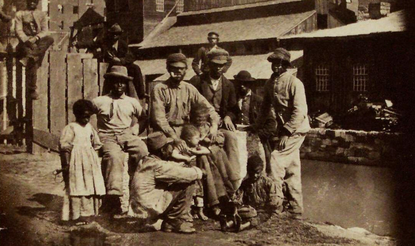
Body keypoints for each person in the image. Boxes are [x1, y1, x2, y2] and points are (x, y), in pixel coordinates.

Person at [255, 48, 310, 220]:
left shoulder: (294, 83)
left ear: (285, 65)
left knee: (276, 161)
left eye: (280, 64)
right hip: (287, 129)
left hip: (296, 128)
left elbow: (300, 110)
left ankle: (275, 206)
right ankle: (296, 209)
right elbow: (265, 107)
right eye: (274, 64)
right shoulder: (270, 83)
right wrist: (255, 125)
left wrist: (286, 132)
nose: (276, 67)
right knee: (293, 168)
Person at [92, 65, 148, 217]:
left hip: (126, 135)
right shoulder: (99, 101)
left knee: (143, 151)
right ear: (110, 83)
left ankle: (139, 190)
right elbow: (83, 114)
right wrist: (91, 134)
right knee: (114, 157)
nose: (119, 85)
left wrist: (136, 128)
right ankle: (113, 199)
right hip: (107, 136)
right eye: (116, 82)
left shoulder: (132, 102)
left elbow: (144, 118)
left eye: (122, 82)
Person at [129, 131, 204, 234]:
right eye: (170, 147)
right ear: (163, 150)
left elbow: (169, 167)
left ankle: (168, 221)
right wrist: (200, 172)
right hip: (149, 210)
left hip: (141, 210)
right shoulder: (157, 165)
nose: (172, 149)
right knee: (188, 182)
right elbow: (185, 174)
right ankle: (173, 220)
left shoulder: (146, 160)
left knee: (178, 179)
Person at [189, 48, 242, 190]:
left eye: (221, 65)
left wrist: (228, 117)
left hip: (220, 123)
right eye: (215, 64)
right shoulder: (197, 81)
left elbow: (233, 108)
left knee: (231, 138)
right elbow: (190, 105)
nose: (218, 68)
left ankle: (234, 180)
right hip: (201, 122)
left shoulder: (228, 84)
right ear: (209, 64)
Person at [150, 52, 221, 151]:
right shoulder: (159, 89)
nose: (178, 71)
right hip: (166, 133)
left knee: (214, 146)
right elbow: (160, 120)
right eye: (174, 68)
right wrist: (175, 138)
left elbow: (209, 109)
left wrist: (214, 126)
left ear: (185, 70)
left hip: (186, 130)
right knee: (172, 151)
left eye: (181, 68)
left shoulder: (189, 88)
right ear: (168, 69)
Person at [59, 99, 106, 225]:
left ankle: (89, 214)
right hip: (76, 161)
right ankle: (76, 215)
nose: (86, 120)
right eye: (83, 117)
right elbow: (65, 146)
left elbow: (96, 143)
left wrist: (95, 158)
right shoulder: (71, 128)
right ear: (76, 115)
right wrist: (66, 164)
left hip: (90, 161)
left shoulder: (90, 128)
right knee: (78, 185)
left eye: (88, 117)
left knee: (90, 185)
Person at [15, 0, 54, 99]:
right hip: (25, 42)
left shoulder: (42, 14)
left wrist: (36, 38)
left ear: (37, 3)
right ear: (27, 2)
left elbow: (45, 30)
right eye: (30, 1)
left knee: (49, 39)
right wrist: (27, 40)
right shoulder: (20, 14)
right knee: (33, 63)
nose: (32, 3)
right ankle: (32, 89)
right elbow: (18, 30)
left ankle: (30, 57)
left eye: (35, 2)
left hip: (37, 40)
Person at [171, 124, 210, 221]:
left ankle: (200, 211)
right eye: (196, 138)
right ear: (188, 139)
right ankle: (189, 212)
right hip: (186, 172)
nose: (199, 140)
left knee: (199, 192)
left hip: (196, 173)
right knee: (190, 194)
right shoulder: (183, 145)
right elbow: (174, 154)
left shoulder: (196, 147)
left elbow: (207, 151)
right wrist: (185, 158)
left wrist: (197, 152)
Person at [97, 23, 145, 99]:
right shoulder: (104, 42)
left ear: (119, 35)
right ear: (109, 34)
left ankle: (141, 94)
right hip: (111, 66)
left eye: (117, 34)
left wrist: (120, 60)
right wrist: (77, 44)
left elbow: (131, 57)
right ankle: (105, 95)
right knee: (109, 78)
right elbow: (91, 44)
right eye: (113, 34)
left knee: (136, 68)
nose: (114, 35)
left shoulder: (123, 44)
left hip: (122, 65)